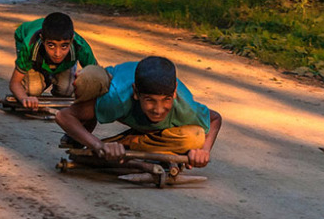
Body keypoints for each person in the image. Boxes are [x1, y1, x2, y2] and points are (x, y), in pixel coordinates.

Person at [55, 56, 222, 168]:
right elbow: (63, 116)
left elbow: (215, 119)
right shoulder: (118, 98)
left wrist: (204, 151)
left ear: (174, 92)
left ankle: (126, 142)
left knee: (195, 138)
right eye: (150, 100)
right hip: (111, 80)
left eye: (166, 100)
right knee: (87, 82)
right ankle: (83, 129)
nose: (158, 110)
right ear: (136, 93)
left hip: (145, 131)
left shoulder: (185, 106)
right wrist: (98, 145)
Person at [9, 12, 98, 110]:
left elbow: (99, 77)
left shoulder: (81, 47)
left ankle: (53, 76)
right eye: (51, 45)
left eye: (64, 46)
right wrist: (24, 98)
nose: (57, 53)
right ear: (42, 40)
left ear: (72, 40)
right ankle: (45, 77)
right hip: (27, 41)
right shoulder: (29, 46)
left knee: (67, 90)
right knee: (33, 90)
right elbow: (15, 83)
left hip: (64, 62)